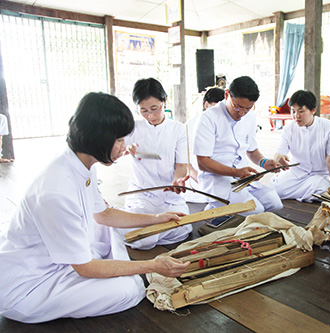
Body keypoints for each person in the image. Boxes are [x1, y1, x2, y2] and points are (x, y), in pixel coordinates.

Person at [0, 92, 189, 324]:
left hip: (62, 260)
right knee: (128, 290)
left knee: (108, 229)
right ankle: (118, 269)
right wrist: (153, 265)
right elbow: (85, 267)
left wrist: (157, 218)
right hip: (31, 284)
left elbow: (103, 214)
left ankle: (116, 266)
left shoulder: (82, 163)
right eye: (119, 140)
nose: (124, 147)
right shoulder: (55, 191)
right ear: (99, 139)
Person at [120, 78, 192, 250]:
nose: (150, 115)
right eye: (143, 111)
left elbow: (181, 166)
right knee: (143, 240)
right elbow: (112, 154)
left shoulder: (178, 129)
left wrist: (177, 181)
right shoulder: (131, 128)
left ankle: (151, 231)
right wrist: (124, 148)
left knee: (183, 228)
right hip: (142, 194)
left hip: (169, 197)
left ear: (164, 101)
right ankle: (148, 229)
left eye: (154, 108)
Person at [194, 76, 283, 214]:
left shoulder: (250, 117)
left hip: (243, 178)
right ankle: (215, 211)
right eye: (238, 107)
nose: (241, 113)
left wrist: (264, 162)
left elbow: (252, 151)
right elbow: (202, 162)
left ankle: (225, 212)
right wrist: (236, 172)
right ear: (227, 94)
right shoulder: (208, 118)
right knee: (256, 210)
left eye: (247, 109)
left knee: (275, 204)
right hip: (217, 179)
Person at [270, 90, 330, 202]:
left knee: (324, 190)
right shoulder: (289, 129)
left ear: (313, 110)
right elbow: (279, 152)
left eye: (301, 111)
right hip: (297, 173)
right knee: (275, 189)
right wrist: (278, 158)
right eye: (293, 111)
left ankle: (301, 194)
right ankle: (306, 195)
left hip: (319, 176)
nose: (296, 116)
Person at [184, 87, 225, 203]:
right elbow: (183, 159)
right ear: (206, 105)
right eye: (216, 107)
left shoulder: (225, 124)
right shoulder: (189, 126)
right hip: (197, 181)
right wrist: (196, 176)